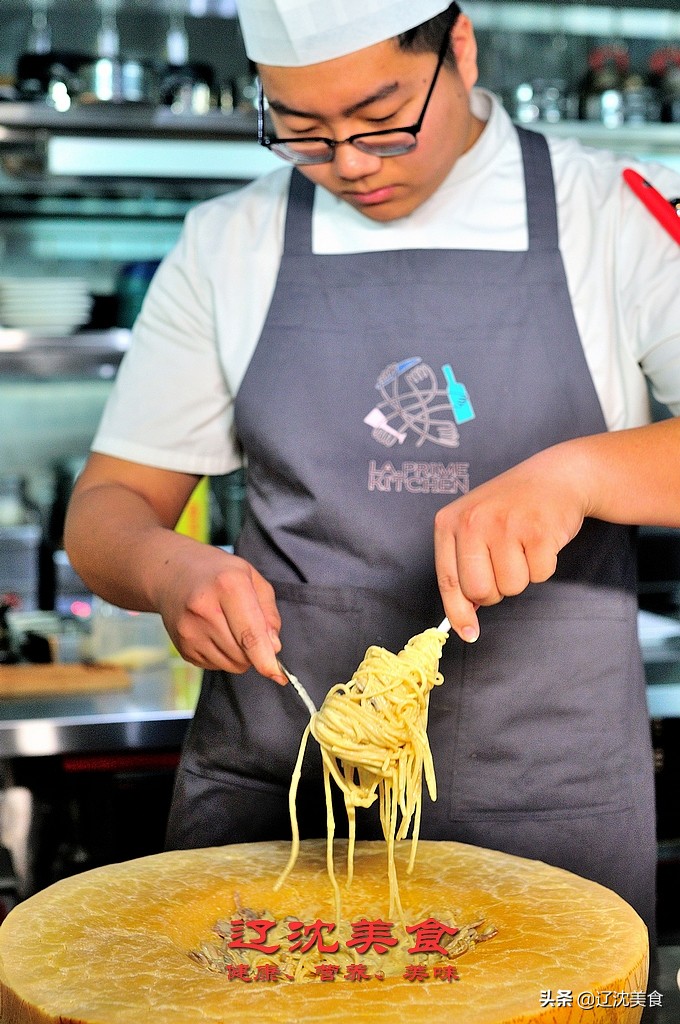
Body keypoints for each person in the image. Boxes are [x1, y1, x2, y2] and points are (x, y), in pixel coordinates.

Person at [64, 0, 680, 955]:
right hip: (281, 801)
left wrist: (583, 472)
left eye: (381, 117)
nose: (349, 161)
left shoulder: (613, 215)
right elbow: (107, 511)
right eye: (300, 130)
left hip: (551, 806)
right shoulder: (231, 242)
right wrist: (167, 571)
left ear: (460, 49)